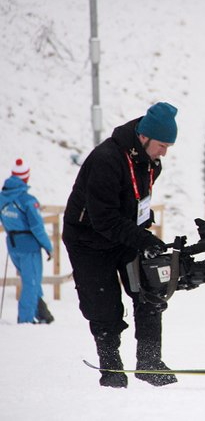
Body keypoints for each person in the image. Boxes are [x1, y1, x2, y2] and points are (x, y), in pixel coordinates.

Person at [62, 102, 179, 388]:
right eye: (162, 145)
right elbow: (103, 218)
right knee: (104, 304)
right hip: (88, 239)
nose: (164, 152)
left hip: (123, 234)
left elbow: (135, 198)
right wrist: (143, 238)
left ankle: (150, 362)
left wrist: (144, 223)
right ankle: (111, 366)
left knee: (150, 289)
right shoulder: (106, 159)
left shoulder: (150, 161)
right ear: (144, 137)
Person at [0, 159, 54, 324]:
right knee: (31, 282)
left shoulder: (3, 198)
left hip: (12, 243)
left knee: (30, 279)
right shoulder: (27, 200)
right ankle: (26, 319)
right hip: (29, 244)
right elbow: (37, 226)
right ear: (26, 178)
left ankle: (42, 312)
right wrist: (48, 246)